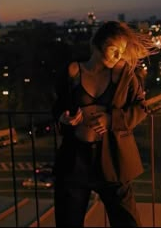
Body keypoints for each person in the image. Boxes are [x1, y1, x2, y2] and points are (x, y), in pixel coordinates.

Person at [52, 21, 153, 227]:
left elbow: (141, 108)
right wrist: (63, 118)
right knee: (68, 222)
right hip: (75, 161)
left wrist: (111, 119)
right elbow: (57, 106)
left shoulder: (123, 74)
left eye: (122, 52)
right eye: (114, 50)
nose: (118, 56)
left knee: (128, 222)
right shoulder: (72, 72)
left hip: (113, 159)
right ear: (96, 46)